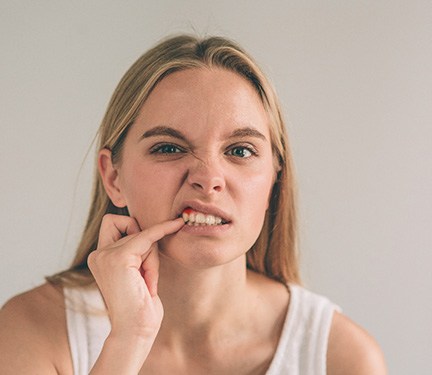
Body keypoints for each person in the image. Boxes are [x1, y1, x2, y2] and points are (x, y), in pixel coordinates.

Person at [0, 35, 387, 374]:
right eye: (169, 148)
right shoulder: (31, 331)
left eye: (240, 150)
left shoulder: (342, 359)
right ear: (113, 178)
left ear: (273, 179)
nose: (208, 177)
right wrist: (128, 340)